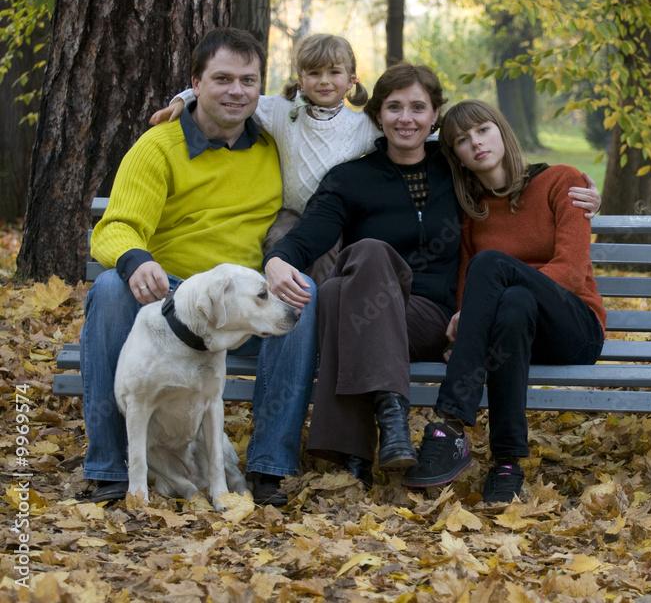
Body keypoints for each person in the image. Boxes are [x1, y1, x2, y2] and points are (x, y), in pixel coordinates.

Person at [263, 64, 601, 488]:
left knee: (478, 271)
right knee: (342, 285)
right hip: (394, 314)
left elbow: (552, 246)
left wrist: (589, 201)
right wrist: (279, 257)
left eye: (418, 107)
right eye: (394, 107)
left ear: (434, 115)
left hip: (449, 318)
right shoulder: (362, 180)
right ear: (377, 116)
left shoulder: (463, 171)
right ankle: (403, 436)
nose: (406, 118)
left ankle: (405, 434)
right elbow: (312, 232)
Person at [81, 28, 317, 507]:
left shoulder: (275, 146)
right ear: (195, 83)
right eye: (222, 79)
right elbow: (115, 227)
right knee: (108, 289)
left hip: (242, 292)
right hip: (167, 290)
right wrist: (134, 259)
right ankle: (109, 466)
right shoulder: (159, 147)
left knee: (301, 294)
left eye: (248, 81)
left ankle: (268, 468)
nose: (236, 91)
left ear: (260, 88)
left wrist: (279, 262)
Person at [401, 99, 607, 504]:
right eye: (461, 139)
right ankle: (508, 462)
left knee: (495, 266)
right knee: (512, 304)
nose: (475, 143)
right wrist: (470, 315)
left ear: (502, 130)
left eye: (482, 130)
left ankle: (450, 424)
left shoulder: (563, 180)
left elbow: (570, 271)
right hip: (513, 332)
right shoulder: (471, 212)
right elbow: (466, 285)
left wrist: (480, 309)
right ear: (456, 156)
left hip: (574, 328)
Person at [151, 33, 379, 283]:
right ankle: (276, 303)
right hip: (290, 212)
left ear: (351, 80)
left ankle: (317, 309)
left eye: (334, 72)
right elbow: (230, 97)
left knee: (325, 252)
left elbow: (399, 130)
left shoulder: (361, 126)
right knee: (278, 244)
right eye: (314, 73)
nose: (324, 81)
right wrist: (183, 100)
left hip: (333, 215)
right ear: (301, 81)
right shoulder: (282, 111)